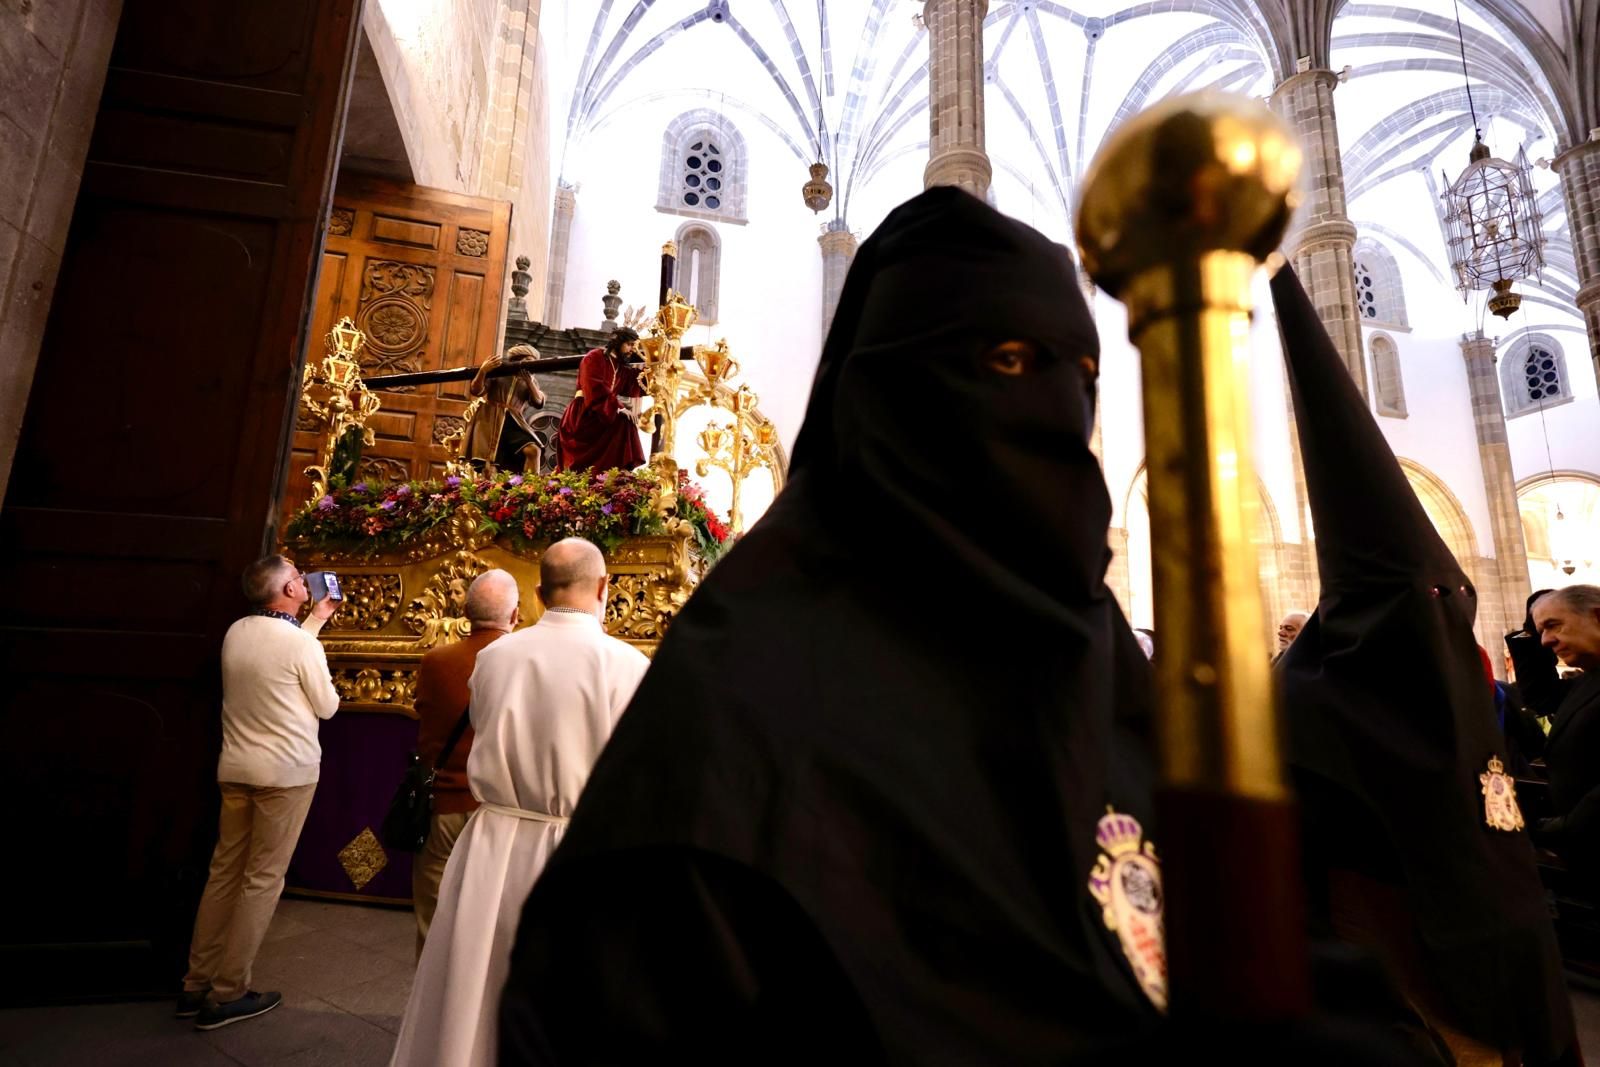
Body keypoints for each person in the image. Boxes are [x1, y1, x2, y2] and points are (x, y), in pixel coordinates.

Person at [499, 189, 1434, 1065]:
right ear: (893, 390)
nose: (1056, 416)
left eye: (1081, 376)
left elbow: (1241, 941)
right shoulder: (741, 715)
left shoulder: (1099, 660)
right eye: (1012, 363)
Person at [1270, 265, 1578, 1065]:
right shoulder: (1303, 699)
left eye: (1452, 594)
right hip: (1388, 990)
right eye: (1424, 595)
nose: (1444, 609)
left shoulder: (1447, 671)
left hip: (1512, 956)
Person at [389, 538, 650, 1067]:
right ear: (604, 587)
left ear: (538, 593)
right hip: (578, 847)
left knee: (476, 982)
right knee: (566, 995)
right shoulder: (627, 665)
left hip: (494, 838)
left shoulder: (495, 657)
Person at [179, 555, 340, 1030]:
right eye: (298, 578)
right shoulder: (299, 643)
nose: (305, 582)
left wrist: (315, 622)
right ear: (288, 590)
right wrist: (313, 633)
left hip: (236, 768)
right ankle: (229, 992)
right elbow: (328, 706)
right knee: (262, 880)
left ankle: (195, 983)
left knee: (224, 874)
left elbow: (281, 654)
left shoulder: (237, 631)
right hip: (285, 775)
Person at [409, 569, 520, 956]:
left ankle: (431, 989)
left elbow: (424, 713)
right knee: (493, 922)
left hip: (445, 805)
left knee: (433, 918)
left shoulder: (436, 660)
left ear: (465, 612)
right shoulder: (523, 663)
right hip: (501, 810)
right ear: (515, 614)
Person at [1514, 585, 1600, 883]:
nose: (1545, 640)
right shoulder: (1588, 679)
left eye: (1553, 625)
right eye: (1541, 631)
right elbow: (1541, 697)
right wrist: (1529, 631)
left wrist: (1561, 828)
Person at [556, 327, 645, 472]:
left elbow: (636, 382)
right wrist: (619, 408)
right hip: (584, 414)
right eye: (629, 345)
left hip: (603, 415)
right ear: (618, 342)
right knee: (624, 420)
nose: (632, 350)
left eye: (634, 347)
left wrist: (655, 370)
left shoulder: (620, 368)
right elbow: (594, 387)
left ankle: (619, 472)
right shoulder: (594, 357)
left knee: (626, 422)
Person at [466, 343, 548, 473]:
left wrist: (529, 382)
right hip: (491, 420)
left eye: (534, 362)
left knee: (533, 450)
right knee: (490, 465)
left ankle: (531, 485)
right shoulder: (500, 372)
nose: (531, 365)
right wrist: (483, 371)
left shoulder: (532, 381)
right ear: (517, 360)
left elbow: (538, 402)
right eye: (528, 360)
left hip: (513, 421)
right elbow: (476, 390)